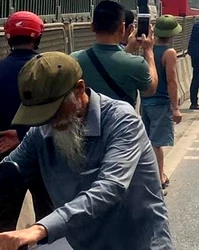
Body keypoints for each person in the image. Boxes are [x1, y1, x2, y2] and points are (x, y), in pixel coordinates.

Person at [0, 52, 173, 250]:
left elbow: (110, 187)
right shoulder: (41, 132)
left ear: (80, 89)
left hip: (136, 243)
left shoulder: (122, 121)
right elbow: (8, 171)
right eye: (40, 115)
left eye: (54, 111)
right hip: (82, 243)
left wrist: (39, 229)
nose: (49, 122)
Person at [0, 12, 53, 232]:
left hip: (5, 155)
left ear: (9, 37)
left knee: (4, 219)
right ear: (37, 37)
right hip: (44, 152)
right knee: (50, 218)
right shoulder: (50, 71)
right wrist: (23, 135)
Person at [72, 0, 158, 106]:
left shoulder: (74, 60)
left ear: (92, 26)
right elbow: (150, 90)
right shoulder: (136, 64)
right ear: (122, 28)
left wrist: (128, 49)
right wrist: (149, 51)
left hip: (88, 122)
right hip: (122, 122)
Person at [140, 16, 183, 191]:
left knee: (149, 140)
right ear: (172, 34)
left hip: (146, 101)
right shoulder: (169, 53)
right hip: (161, 102)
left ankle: (154, 174)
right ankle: (158, 178)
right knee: (157, 143)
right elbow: (171, 81)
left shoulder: (148, 49)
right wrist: (176, 108)